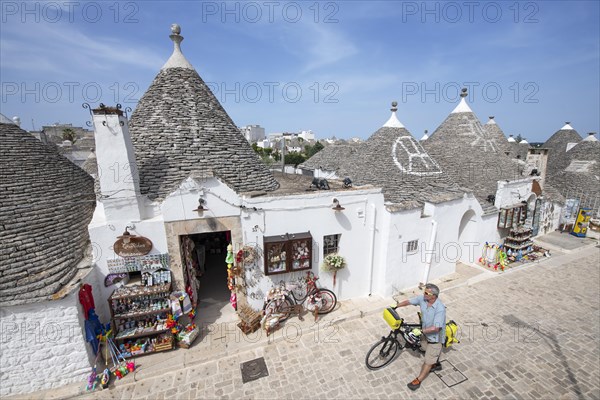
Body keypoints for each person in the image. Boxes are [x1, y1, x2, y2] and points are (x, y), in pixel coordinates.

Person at [395, 283, 446, 391]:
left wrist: (421, 331)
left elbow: (436, 328)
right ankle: (436, 363)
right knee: (424, 348)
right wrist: (396, 306)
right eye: (424, 291)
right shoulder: (423, 299)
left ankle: (418, 380)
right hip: (425, 333)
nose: (424, 294)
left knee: (428, 361)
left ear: (434, 296)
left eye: (427, 293)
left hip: (435, 338)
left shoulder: (440, 308)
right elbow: (408, 301)